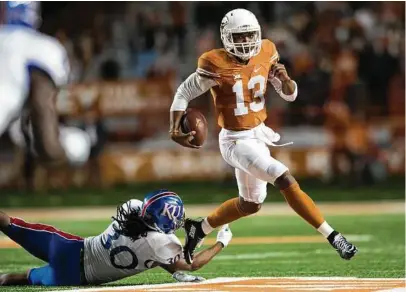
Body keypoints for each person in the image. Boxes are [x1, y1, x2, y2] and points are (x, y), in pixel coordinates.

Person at [169, 8, 358, 265]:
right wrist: (174, 127)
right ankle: (333, 236)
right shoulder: (215, 62)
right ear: (226, 38)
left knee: (251, 204)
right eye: (240, 37)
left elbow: (290, 94)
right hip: (235, 140)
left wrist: (285, 79)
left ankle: (199, 229)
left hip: (258, 136)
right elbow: (183, 92)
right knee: (283, 177)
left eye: (249, 36)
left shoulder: (267, 51)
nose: (246, 42)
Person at [0, 189, 232, 286]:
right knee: (17, 279)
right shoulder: (164, 244)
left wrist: (174, 269)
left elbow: (153, 247)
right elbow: (193, 263)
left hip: (68, 248)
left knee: (10, 224)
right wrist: (222, 241)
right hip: (75, 276)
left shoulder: (133, 207)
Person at [0, 1, 90, 166]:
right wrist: (54, 149)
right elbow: (42, 105)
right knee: (75, 144)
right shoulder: (44, 48)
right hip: (13, 117)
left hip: (11, 119)